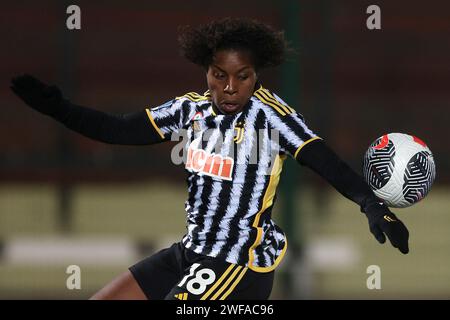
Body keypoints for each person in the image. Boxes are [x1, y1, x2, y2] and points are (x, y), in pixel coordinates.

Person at [10, 18, 409, 300]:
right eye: (219, 75)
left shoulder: (272, 117)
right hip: (190, 252)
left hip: (237, 265)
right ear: (206, 71)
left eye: (243, 76)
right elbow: (117, 130)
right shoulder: (190, 110)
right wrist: (57, 109)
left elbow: (325, 161)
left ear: (257, 75)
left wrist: (370, 203)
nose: (230, 87)